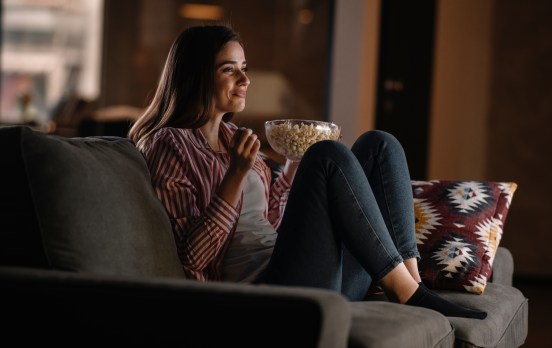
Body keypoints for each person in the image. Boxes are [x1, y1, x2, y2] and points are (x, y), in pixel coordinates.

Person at [128, 24, 486, 320]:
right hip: (266, 293)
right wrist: (234, 176)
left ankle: (411, 280)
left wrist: (292, 167)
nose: (245, 78)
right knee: (328, 154)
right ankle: (407, 293)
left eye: (244, 67)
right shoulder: (169, 144)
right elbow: (191, 256)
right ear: (197, 76)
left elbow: (271, 221)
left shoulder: (235, 137)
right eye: (229, 69)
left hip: (310, 272)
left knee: (380, 144)